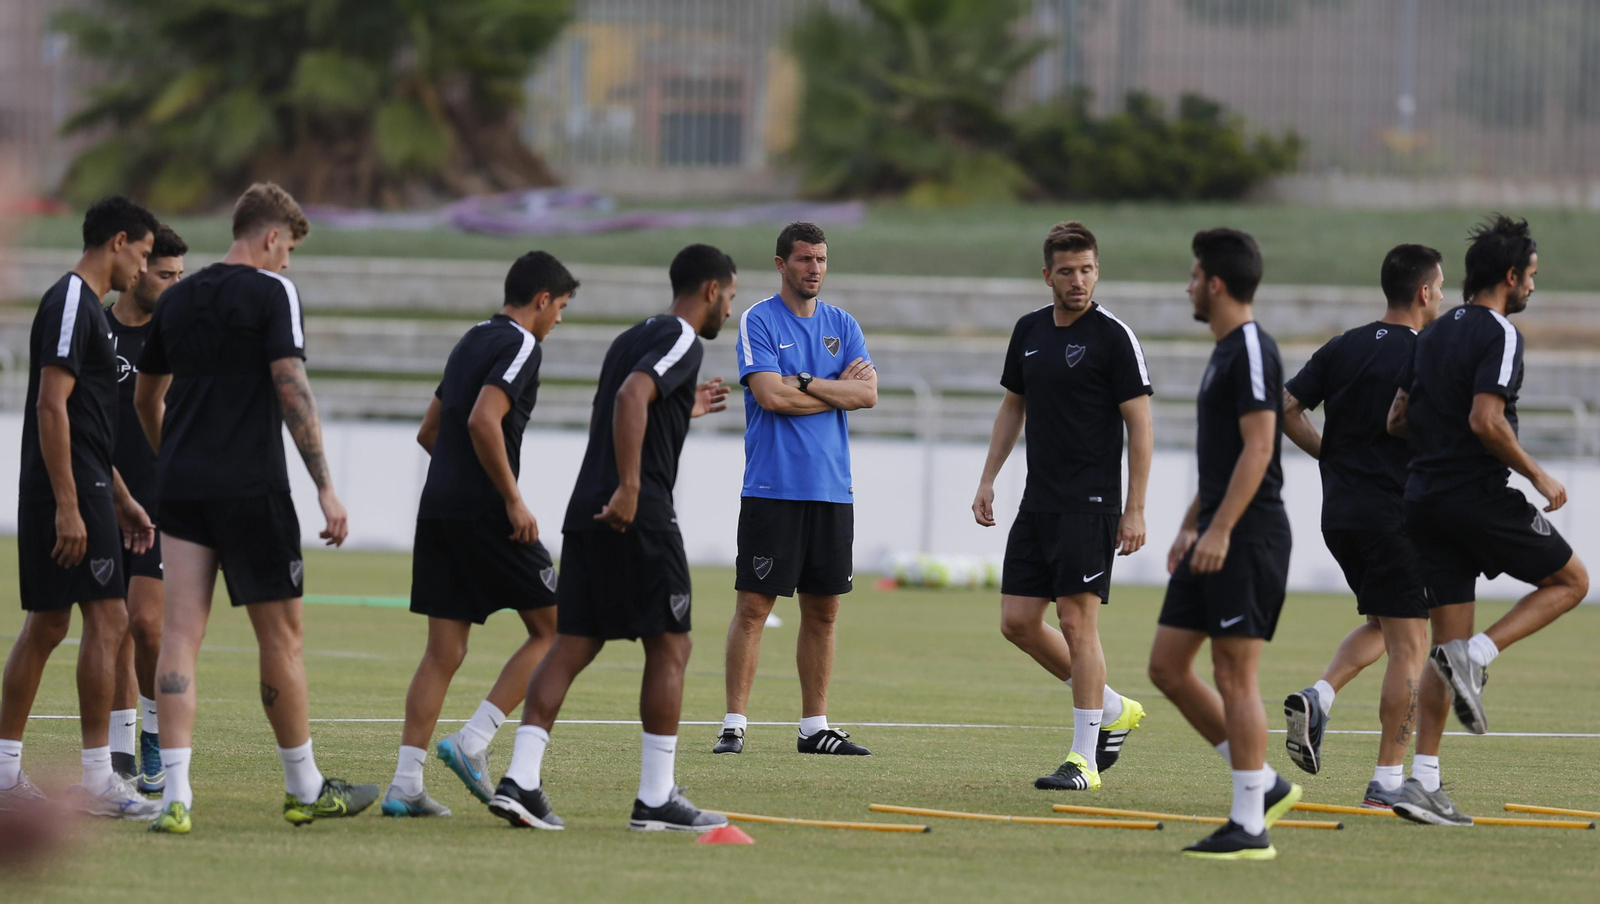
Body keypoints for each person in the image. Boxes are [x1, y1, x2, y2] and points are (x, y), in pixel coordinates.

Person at [134, 183, 374, 834]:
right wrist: (325, 485)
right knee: (282, 639)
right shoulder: (274, 294)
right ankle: (303, 786)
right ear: (270, 237)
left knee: (180, 637)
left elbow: (146, 399)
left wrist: (174, 459)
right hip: (251, 489)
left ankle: (175, 797)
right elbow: (290, 387)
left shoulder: (178, 298)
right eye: (288, 248)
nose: (288, 263)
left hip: (182, 489)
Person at [488, 244, 734, 832]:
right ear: (709, 292)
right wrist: (630, 487)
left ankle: (520, 779)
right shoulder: (683, 338)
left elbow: (625, 405)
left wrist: (681, 409)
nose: (730, 307)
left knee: (572, 642)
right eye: (730, 295)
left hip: (586, 510)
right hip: (638, 511)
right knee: (671, 645)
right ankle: (656, 798)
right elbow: (630, 399)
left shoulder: (631, 337)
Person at [1384, 215, 1588, 827]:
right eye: (1530, 277)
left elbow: (1397, 420)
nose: (1532, 287)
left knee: (1442, 649)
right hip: (1473, 496)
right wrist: (1538, 475)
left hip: (1423, 500)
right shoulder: (1499, 332)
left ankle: (1423, 782)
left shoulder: (1433, 330)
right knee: (1571, 581)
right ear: (1509, 277)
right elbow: (1486, 420)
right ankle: (1479, 652)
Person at [381, 252, 577, 817]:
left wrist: (457, 477)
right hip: (486, 513)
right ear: (541, 300)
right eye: (560, 307)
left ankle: (406, 784)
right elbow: (481, 420)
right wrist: (510, 498)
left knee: (444, 652)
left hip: (439, 508)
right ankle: (474, 740)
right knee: (558, 628)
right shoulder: (521, 345)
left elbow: (429, 431)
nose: (559, 320)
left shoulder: (471, 338)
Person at [970, 221, 1153, 791]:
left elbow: (1141, 427)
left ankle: (1084, 759)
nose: (1079, 281)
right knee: (1019, 622)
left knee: (1076, 622)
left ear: (1098, 270)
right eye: (1068, 271)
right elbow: (1012, 408)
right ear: (1047, 275)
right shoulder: (1028, 330)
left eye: (1088, 269)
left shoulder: (1113, 336)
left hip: (1092, 503)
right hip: (1037, 502)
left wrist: (1135, 508)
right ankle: (1114, 706)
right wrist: (987, 479)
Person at [0, 196, 160, 819]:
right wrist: (70, 503)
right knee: (108, 618)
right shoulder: (71, 301)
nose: (143, 270)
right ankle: (98, 780)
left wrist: (120, 498)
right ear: (117, 241)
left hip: (88, 485)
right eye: (143, 255)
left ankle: (7, 773)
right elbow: (50, 405)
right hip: (66, 489)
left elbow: (89, 425)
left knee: (48, 624)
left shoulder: (86, 310)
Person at [1147, 228, 1301, 861]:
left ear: (1214, 283)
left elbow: (1262, 448)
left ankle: (1249, 826)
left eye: (1192, 276)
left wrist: (1219, 529)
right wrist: (1191, 522)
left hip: (1248, 535)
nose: (1187, 286)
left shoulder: (1253, 350)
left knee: (1235, 674)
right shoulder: (1223, 353)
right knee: (1166, 666)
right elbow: (1226, 458)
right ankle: (1262, 783)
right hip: (1216, 528)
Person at [1278, 244, 1443, 809]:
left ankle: (1319, 695)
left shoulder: (1344, 345)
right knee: (1412, 645)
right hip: (1395, 516)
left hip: (1340, 516)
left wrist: (1330, 456)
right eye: (1440, 288)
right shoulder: (1428, 352)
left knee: (1384, 623)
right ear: (1424, 292)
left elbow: (1286, 407)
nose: (1441, 297)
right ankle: (1388, 782)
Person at [713, 222, 877, 757]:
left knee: (824, 611)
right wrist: (834, 391)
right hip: (773, 487)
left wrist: (803, 381)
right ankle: (734, 724)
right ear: (781, 264)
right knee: (754, 606)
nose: (814, 269)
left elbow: (868, 394)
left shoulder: (843, 324)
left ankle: (815, 727)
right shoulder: (759, 319)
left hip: (832, 490)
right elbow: (769, 396)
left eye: (822, 259)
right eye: (804, 259)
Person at [105, 223, 187, 794]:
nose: (174, 286)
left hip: (159, 500)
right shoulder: (95, 329)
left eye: (181, 277)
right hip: (101, 496)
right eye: (165, 275)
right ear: (138, 269)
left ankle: (156, 736)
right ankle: (118, 749)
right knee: (108, 627)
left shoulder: (177, 334)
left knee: (148, 624)